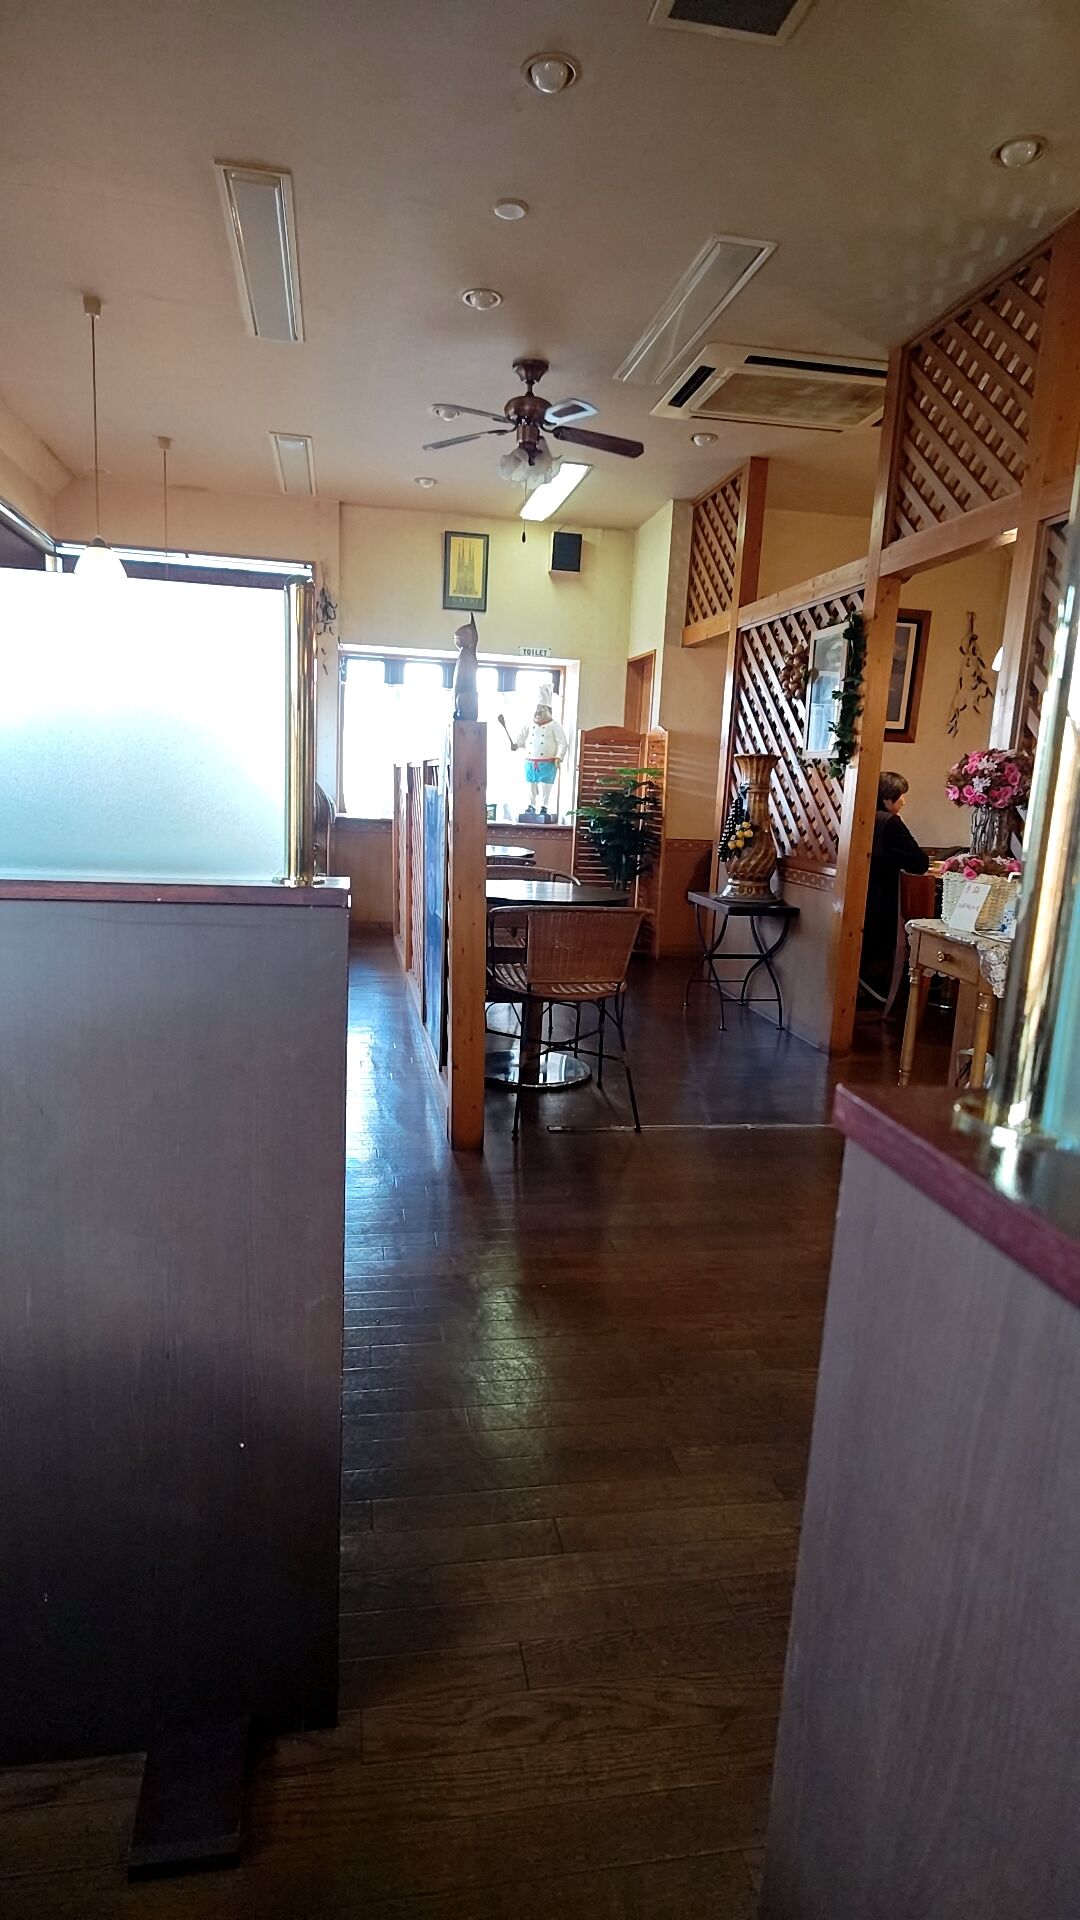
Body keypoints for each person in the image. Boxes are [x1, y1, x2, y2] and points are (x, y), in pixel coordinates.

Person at [860, 770, 930, 1000]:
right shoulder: (889, 823)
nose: (904, 801)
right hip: (883, 901)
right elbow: (919, 862)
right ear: (886, 798)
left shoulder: (862, 817)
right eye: (900, 796)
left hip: (862, 896)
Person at [497, 688, 568, 818]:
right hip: (530, 761)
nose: (539, 711)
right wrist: (516, 745)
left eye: (542, 708)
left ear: (549, 711)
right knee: (531, 785)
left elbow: (562, 742)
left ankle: (544, 806)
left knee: (546, 785)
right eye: (538, 708)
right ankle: (531, 805)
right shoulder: (529, 724)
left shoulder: (554, 726)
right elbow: (521, 737)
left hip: (548, 763)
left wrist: (559, 756)